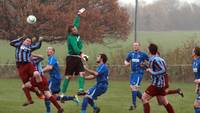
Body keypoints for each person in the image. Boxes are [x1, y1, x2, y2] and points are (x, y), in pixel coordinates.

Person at [43, 47, 79, 113]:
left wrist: (41, 71)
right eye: (47, 50)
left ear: (53, 52)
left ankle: (49, 111)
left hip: (54, 78)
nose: (48, 51)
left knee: (47, 94)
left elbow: (50, 67)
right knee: (54, 96)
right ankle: (73, 98)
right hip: (55, 78)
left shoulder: (52, 58)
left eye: (50, 50)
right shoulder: (50, 58)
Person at [10, 35, 43, 106]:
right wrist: (20, 38)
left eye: (30, 41)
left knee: (37, 74)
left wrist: (40, 41)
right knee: (26, 85)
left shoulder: (30, 47)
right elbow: (11, 43)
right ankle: (31, 99)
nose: (28, 42)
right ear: (23, 41)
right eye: (27, 40)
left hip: (28, 64)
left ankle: (42, 89)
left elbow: (37, 46)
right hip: (20, 67)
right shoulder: (19, 45)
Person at [142, 43, 175, 113]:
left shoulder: (155, 60)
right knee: (164, 102)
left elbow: (163, 70)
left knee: (144, 98)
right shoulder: (156, 59)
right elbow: (154, 68)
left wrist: (152, 72)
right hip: (160, 85)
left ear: (149, 51)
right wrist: (145, 67)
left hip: (156, 85)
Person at [62, 8, 87, 96]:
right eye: (73, 30)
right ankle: (62, 94)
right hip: (71, 58)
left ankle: (80, 90)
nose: (76, 30)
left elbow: (76, 23)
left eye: (75, 29)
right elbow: (76, 49)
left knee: (82, 73)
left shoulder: (75, 32)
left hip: (77, 58)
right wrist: (82, 54)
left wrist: (78, 14)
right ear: (71, 32)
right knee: (68, 77)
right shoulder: (71, 38)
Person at [124, 42, 148, 110]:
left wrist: (145, 66)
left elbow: (150, 61)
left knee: (134, 87)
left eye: (136, 45)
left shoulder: (143, 54)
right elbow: (126, 60)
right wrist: (126, 64)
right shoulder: (131, 54)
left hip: (139, 73)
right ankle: (144, 100)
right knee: (133, 88)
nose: (135, 46)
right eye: (134, 45)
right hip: (132, 73)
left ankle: (134, 105)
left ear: (139, 46)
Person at [192, 47, 200, 113]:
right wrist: (197, 86)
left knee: (197, 105)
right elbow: (197, 76)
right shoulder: (194, 62)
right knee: (196, 106)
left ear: (196, 52)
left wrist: (199, 80)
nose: (192, 51)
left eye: (193, 50)